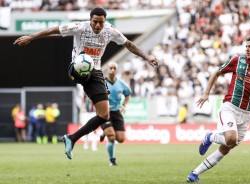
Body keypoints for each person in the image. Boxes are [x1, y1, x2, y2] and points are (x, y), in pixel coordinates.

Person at [14, 7, 158, 160]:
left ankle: (72, 138)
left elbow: (129, 44)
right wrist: (31, 37)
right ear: (90, 20)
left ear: (105, 21)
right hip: (76, 69)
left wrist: (147, 57)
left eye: (101, 22)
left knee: (104, 114)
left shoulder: (110, 31)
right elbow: (54, 30)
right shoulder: (80, 27)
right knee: (83, 65)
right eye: (95, 22)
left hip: (95, 72)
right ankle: (82, 73)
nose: (97, 26)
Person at [187, 36, 250, 182]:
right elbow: (217, 72)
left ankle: (194, 174)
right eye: (246, 46)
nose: (247, 49)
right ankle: (210, 137)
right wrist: (206, 92)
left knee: (227, 147)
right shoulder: (237, 61)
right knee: (230, 139)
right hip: (230, 107)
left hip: (246, 114)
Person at [99, 61, 131, 166]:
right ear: (107, 70)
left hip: (117, 112)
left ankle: (105, 132)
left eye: (114, 68)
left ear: (117, 70)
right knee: (112, 137)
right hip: (104, 113)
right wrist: (103, 103)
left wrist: (124, 105)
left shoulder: (121, 83)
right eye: (110, 68)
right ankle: (112, 160)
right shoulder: (102, 83)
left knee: (121, 139)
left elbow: (128, 94)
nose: (112, 70)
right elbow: (92, 97)